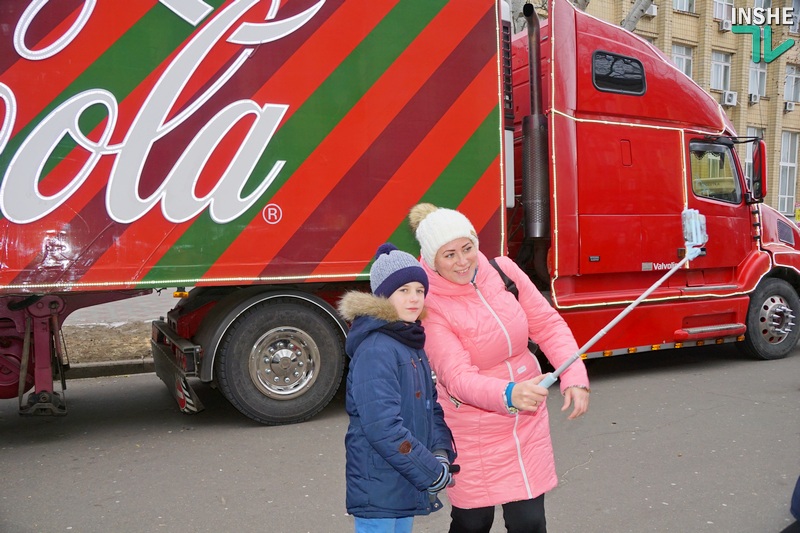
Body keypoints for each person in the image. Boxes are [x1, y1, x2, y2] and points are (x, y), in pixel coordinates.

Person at [407, 203, 590, 533]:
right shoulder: (430, 304)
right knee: (473, 522)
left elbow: (548, 324)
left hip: (526, 420)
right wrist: (509, 393)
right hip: (472, 429)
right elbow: (456, 378)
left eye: (467, 248)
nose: (463, 261)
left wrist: (573, 376)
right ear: (432, 259)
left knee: (529, 521)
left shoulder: (503, 270)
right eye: (449, 255)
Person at [338, 242, 457, 533]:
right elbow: (383, 428)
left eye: (419, 290)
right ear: (383, 296)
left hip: (402, 478)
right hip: (379, 486)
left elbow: (432, 407)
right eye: (403, 291)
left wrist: (440, 451)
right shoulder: (378, 348)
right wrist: (430, 471)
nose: (414, 298)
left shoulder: (409, 342)